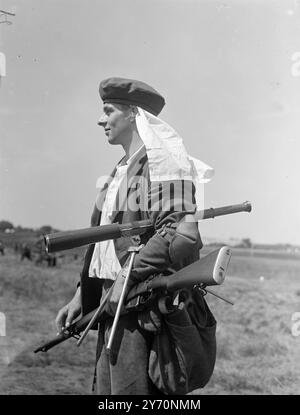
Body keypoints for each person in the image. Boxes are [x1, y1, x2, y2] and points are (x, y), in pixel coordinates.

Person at [55, 77, 216, 395]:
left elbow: (178, 235)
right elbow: (102, 244)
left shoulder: (164, 164)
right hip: (112, 306)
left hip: (145, 313)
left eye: (108, 110)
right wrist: (81, 295)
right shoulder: (119, 171)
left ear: (134, 114)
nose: (101, 119)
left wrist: (127, 275)